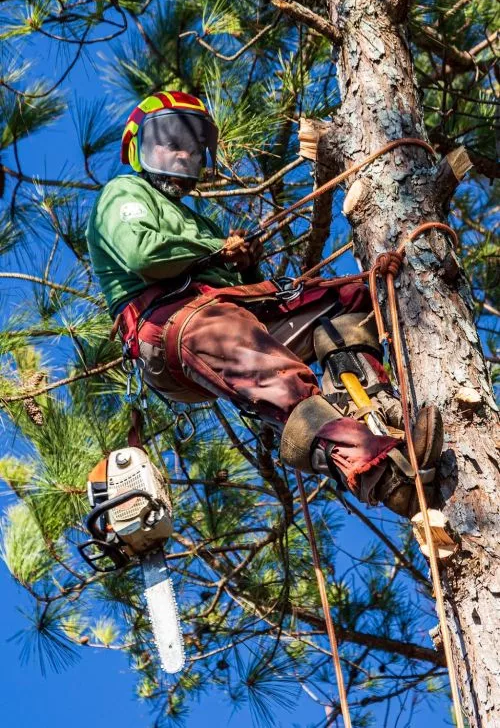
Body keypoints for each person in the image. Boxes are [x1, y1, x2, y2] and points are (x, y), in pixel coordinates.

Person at [86, 90, 443, 518]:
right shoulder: (124, 192)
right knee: (280, 378)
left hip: (222, 314)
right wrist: (219, 249)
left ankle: (376, 409)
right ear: (141, 147)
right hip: (174, 324)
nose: (183, 155)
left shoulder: (195, 221)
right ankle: (379, 473)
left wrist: (248, 266)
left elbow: (244, 297)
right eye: (171, 143)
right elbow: (144, 255)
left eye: (192, 147)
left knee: (350, 300)